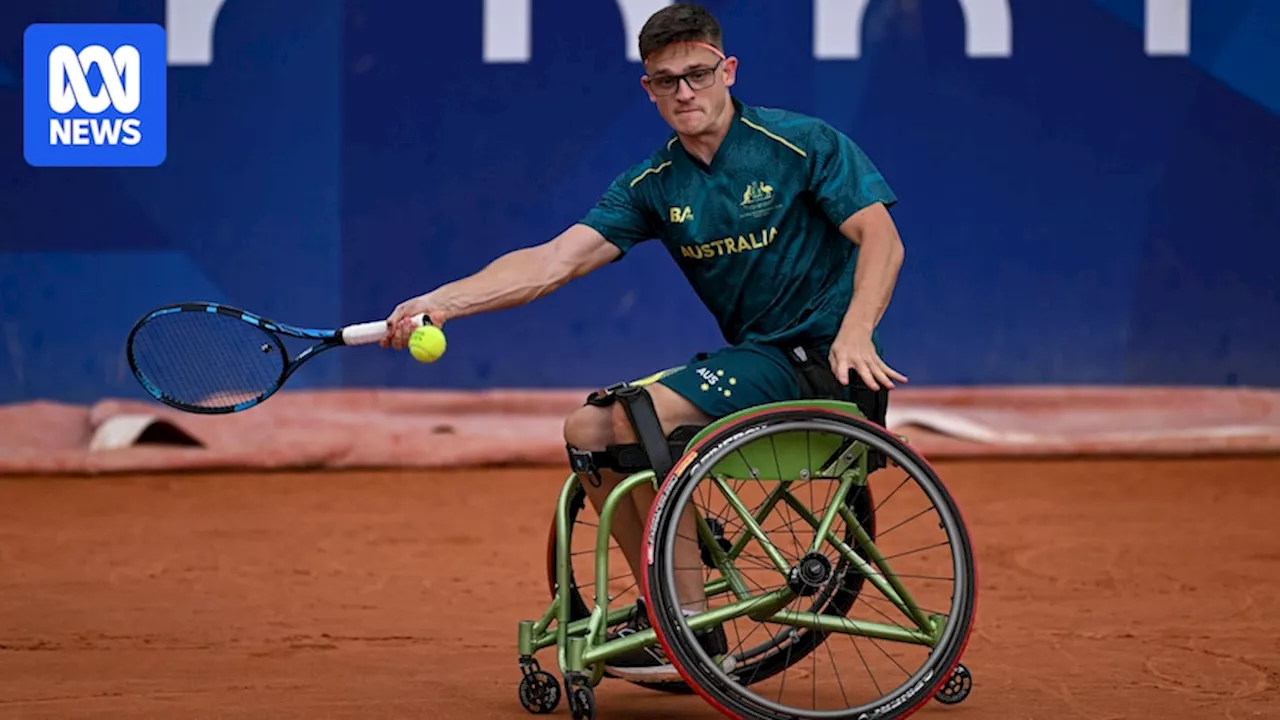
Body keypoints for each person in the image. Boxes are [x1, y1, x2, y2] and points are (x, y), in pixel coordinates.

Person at [383, 2, 907, 682]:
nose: (685, 92)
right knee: (588, 430)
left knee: (624, 416)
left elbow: (882, 240)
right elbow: (553, 262)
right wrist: (440, 303)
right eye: (667, 80)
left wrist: (858, 331)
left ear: (728, 70)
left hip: (824, 365)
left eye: (698, 74)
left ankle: (683, 624)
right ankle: (679, 617)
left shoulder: (801, 144)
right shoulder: (654, 185)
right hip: (758, 364)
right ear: (648, 89)